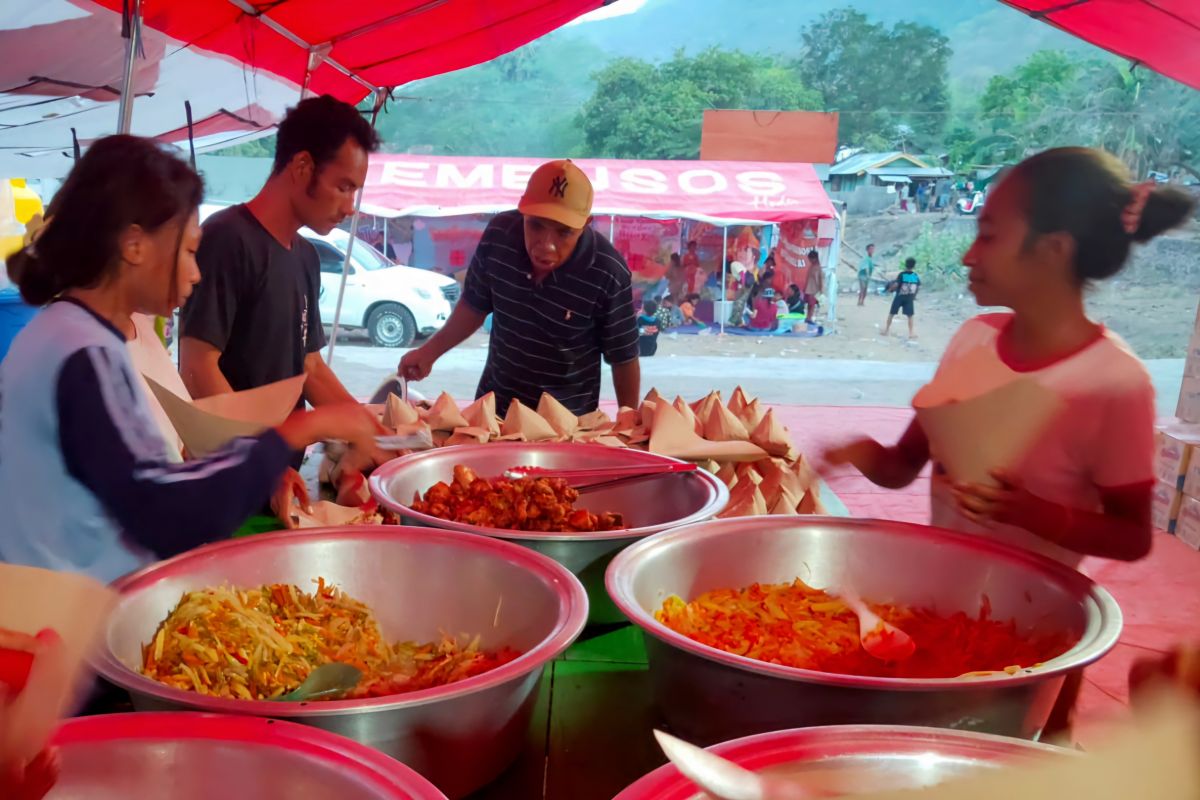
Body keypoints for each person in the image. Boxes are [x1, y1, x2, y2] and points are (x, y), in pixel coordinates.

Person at [825, 147, 1193, 736]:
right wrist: (851, 454)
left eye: (990, 236)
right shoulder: (973, 340)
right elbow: (903, 467)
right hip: (930, 620)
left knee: (1022, 755)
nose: (970, 255)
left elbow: (1131, 537)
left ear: (1054, 250)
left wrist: (1032, 513)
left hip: (1035, 646)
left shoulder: (1114, 383)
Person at [0, 135, 377, 582]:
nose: (196, 273)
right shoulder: (85, 354)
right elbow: (164, 510)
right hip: (72, 617)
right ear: (134, 245)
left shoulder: (62, 331)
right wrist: (297, 430)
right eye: (189, 250)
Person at [179, 95, 386, 524]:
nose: (350, 207)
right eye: (343, 187)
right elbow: (197, 368)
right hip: (230, 481)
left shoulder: (306, 255)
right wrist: (259, 461)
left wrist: (374, 432)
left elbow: (308, 366)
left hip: (284, 479)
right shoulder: (228, 240)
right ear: (302, 168)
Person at [398, 160, 640, 414]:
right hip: (494, 412)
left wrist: (629, 422)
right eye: (535, 225)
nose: (546, 245)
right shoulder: (499, 236)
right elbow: (474, 306)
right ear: (522, 211)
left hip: (565, 424)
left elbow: (623, 357)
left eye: (564, 232)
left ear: (585, 224)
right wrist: (429, 352)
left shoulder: (608, 271)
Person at [883, 257, 921, 338]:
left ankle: (886, 330)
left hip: (899, 296)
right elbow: (918, 287)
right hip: (909, 297)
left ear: (905, 264)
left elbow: (896, 285)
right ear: (914, 266)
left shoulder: (902, 275)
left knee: (892, 313)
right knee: (910, 315)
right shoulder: (915, 275)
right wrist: (914, 296)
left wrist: (890, 290)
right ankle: (911, 333)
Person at [803, 249, 824, 323]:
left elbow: (821, 280)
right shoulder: (812, 267)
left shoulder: (818, 268)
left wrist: (821, 290)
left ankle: (809, 317)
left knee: (812, 305)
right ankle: (808, 317)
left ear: (814, 258)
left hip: (814, 290)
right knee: (809, 304)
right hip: (809, 289)